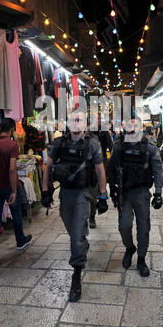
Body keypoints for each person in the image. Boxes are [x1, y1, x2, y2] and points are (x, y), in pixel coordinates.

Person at [41, 109, 108, 302]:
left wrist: (103, 196)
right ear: (68, 123)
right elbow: (48, 167)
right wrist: (45, 191)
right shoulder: (58, 143)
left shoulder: (92, 143)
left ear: (85, 124)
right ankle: (81, 243)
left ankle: (76, 275)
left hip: (84, 193)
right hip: (66, 193)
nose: (76, 123)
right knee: (72, 229)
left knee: (77, 234)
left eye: (79, 120)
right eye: (73, 119)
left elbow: (100, 171)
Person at [107, 118, 163, 277]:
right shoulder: (118, 146)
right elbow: (111, 168)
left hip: (141, 192)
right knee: (124, 226)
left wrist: (158, 193)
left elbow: (158, 170)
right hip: (124, 192)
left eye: (135, 125)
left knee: (143, 226)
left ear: (141, 127)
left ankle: (141, 258)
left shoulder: (149, 147)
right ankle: (129, 247)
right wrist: (112, 189)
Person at [0, 118, 32, 268]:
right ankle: (20, 241)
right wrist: (14, 189)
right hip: (8, 186)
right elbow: (11, 169)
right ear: (12, 130)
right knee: (16, 214)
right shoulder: (12, 145)